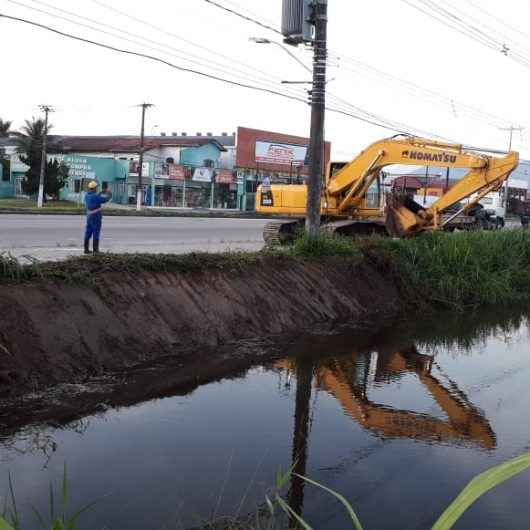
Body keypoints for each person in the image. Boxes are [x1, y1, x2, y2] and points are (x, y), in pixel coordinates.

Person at [84, 180, 112, 254]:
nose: (97, 188)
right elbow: (105, 199)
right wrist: (109, 193)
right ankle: (95, 250)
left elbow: (96, 196)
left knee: (88, 232)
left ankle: (86, 249)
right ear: (94, 188)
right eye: (96, 187)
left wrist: (101, 192)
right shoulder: (95, 196)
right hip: (96, 217)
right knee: (96, 232)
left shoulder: (87, 195)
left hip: (89, 217)